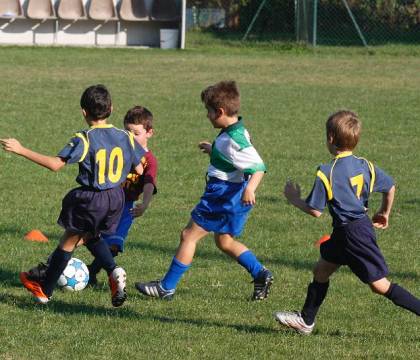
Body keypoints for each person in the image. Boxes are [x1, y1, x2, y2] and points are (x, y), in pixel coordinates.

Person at [274, 110, 420, 335]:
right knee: (321, 270)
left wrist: (294, 199)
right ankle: (306, 320)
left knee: (379, 285)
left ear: (331, 138)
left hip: (353, 234)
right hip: (349, 231)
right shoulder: (365, 165)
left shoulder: (327, 172)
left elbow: (315, 211)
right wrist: (384, 212)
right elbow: (390, 186)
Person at [0, 84, 145, 307]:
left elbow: (55, 165)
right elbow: (140, 170)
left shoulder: (84, 138)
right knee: (92, 236)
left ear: (84, 112)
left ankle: (44, 291)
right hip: (116, 198)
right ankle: (114, 270)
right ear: (112, 108)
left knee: (67, 243)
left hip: (91, 198)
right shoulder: (125, 136)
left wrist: (21, 149)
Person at [135, 80, 273, 300]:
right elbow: (235, 159)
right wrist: (215, 151)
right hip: (233, 195)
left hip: (223, 196)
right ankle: (260, 273)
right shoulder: (235, 131)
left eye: (209, 111)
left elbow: (258, 166)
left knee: (188, 235)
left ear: (219, 111)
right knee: (224, 241)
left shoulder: (233, 139)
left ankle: (166, 287)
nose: (207, 115)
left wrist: (251, 189)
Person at [87, 105, 158, 285]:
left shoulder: (149, 160)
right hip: (105, 199)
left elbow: (149, 183)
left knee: (114, 245)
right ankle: (56, 264)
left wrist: (145, 204)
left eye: (136, 133)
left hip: (126, 207)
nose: (130, 137)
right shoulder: (119, 149)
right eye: (127, 131)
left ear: (149, 133)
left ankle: (90, 273)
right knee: (84, 235)